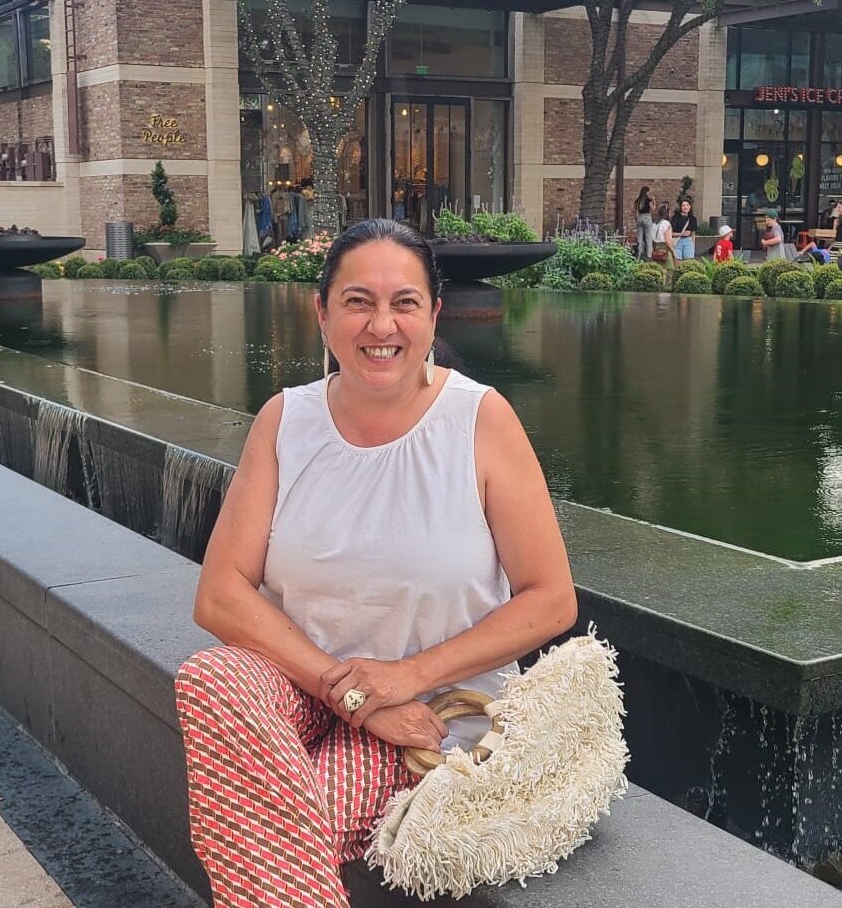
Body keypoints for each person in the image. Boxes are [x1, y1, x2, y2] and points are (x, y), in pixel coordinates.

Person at [174, 218, 578, 908]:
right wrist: (357, 700)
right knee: (211, 678)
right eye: (358, 301)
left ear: (434, 314)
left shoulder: (480, 420)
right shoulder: (284, 421)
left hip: (427, 714)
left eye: (404, 303)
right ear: (322, 312)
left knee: (271, 830)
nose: (381, 325)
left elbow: (551, 599)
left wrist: (402, 681)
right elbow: (220, 594)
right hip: (302, 686)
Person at [633, 186, 655, 261]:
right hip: (647, 217)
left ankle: (639, 254)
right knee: (648, 237)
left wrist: (636, 219)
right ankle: (649, 255)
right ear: (646, 192)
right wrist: (654, 201)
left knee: (640, 237)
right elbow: (653, 209)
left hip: (640, 217)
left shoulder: (637, 200)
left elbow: (634, 211)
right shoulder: (648, 200)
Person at [651, 203, 676, 269]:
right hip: (665, 248)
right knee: (669, 268)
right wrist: (673, 252)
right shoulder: (666, 223)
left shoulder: (655, 223)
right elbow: (667, 240)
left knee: (658, 269)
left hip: (656, 248)